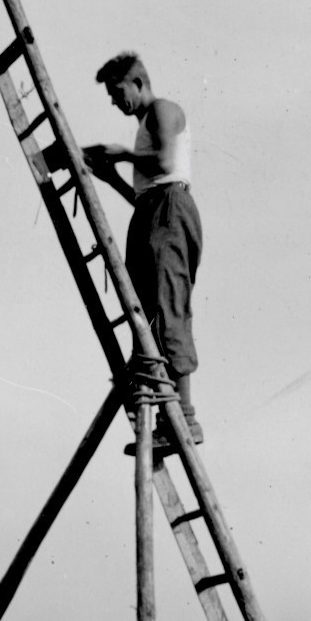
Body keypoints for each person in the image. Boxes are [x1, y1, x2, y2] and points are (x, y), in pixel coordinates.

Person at [83, 52, 204, 448]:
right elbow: (141, 194)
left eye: (119, 92)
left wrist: (124, 153)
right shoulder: (142, 127)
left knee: (168, 308)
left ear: (138, 83)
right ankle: (164, 419)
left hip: (170, 209)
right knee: (147, 314)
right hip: (152, 212)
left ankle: (183, 420)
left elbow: (166, 161)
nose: (117, 102)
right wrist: (110, 174)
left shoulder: (163, 110)